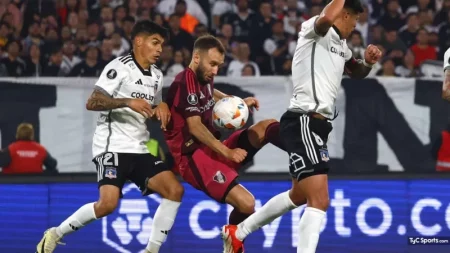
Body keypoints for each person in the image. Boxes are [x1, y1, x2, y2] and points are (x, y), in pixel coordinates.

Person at [221, 0, 382, 252]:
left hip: (318, 126)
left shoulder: (342, 46)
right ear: (345, 14)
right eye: (355, 20)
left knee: (298, 195)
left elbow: (356, 72)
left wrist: (368, 63)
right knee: (319, 199)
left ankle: (238, 232)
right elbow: (327, 19)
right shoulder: (314, 29)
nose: (356, 26)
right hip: (304, 120)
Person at [36, 21, 184, 253]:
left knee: (175, 190)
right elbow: (93, 101)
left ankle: (151, 251)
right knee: (107, 205)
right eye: (155, 43)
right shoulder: (119, 67)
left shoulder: (156, 75)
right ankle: (56, 233)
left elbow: (151, 109)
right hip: (112, 146)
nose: (159, 49)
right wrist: (127, 101)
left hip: (140, 146)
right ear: (138, 41)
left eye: (162, 45)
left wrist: (161, 107)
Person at [163, 35, 286, 251]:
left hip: (211, 147)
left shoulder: (204, 75)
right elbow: (195, 127)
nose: (215, 70)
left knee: (266, 127)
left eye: (219, 65)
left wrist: (236, 103)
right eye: (212, 64)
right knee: (247, 204)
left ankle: (301, 151)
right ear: (196, 57)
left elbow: (211, 92)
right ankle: (233, 238)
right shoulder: (184, 83)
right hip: (193, 157)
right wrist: (228, 154)